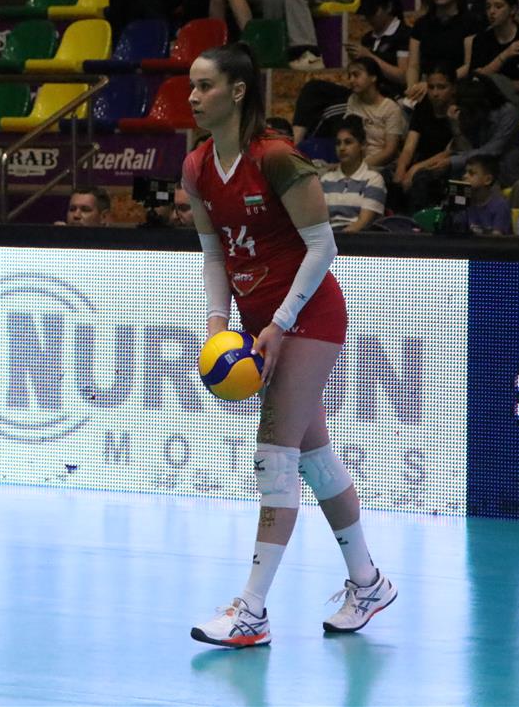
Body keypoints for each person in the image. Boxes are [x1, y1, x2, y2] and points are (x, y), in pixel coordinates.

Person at [182, 44, 395, 648]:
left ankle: (252, 610)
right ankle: (368, 581)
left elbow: (324, 246)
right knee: (313, 456)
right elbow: (215, 256)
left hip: (308, 317)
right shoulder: (196, 167)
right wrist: (218, 324)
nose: (193, 97)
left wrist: (278, 321)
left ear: (238, 91)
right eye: (191, 86)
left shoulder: (276, 158)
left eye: (205, 86)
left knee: (274, 452)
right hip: (258, 324)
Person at [290, 0, 411, 146]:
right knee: (313, 89)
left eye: (372, 12)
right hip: (362, 91)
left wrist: (369, 56)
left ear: (388, 7)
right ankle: (294, 142)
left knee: (332, 112)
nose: (368, 18)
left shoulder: (404, 35)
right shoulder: (368, 38)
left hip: (385, 95)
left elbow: (402, 76)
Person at [405, 0, 477, 104]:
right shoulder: (421, 24)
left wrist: (436, 84)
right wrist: (412, 89)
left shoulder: (470, 23)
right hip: (425, 88)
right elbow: (413, 65)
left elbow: (469, 65)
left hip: (457, 88)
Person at [395, 64, 458, 210]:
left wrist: (415, 169)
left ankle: (418, 221)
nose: (435, 93)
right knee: (389, 176)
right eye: (431, 87)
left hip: (445, 165)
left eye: (441, 87)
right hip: (421, 162)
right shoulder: (423, 108)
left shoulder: (458, 112)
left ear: (454, 88)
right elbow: (409, 147)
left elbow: (450, 151)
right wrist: (401, 169)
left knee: (421, 179)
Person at [453, 74, 519, 186]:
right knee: (451, 176)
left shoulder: (508, 112)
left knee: (465, 173)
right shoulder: (469, 113)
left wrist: (453, 161)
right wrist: (456, 125)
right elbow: (466, 149)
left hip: (508, 168)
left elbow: (492, 150)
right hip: (476, 168)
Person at [321, 116, 386, 232]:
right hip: (330, 237)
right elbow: (321, 221)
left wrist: (339, 239)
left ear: (362, 145)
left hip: (360, 239)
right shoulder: (326, 179)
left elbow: (363, 223)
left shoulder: (373, 179)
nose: (342, 148)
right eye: (338, 143)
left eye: (348, 142)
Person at [343, 57, 405, 170]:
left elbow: (390, 151)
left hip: (383, 166)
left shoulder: (390, 108)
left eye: (356, 75)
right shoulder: (353, 99)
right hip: (356, 162)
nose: (351, 80)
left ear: (373, 77)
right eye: (349, 76)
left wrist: (359, 166)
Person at [458, 155, 511, 235]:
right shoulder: (464, 203)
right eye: (465, 172)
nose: (464, 176)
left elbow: (497, 239)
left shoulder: (500, 206)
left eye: (471, 173)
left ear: (488, 180)